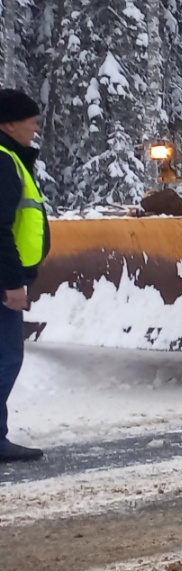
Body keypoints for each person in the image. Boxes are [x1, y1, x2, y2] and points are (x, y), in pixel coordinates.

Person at [0, 89, 47, 462]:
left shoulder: (9, 159)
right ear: (9, 123)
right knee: (5, 359)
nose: (35, 126)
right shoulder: (4, 163)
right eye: (30, 120)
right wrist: (13, 283)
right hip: (3, 286)